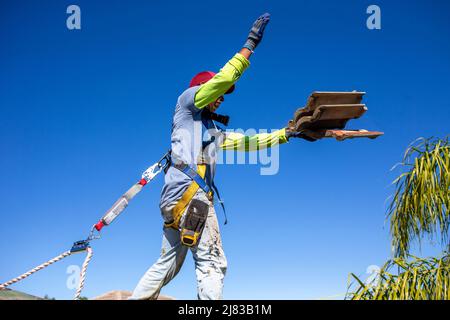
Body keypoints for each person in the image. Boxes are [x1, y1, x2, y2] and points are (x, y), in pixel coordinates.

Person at [130, 12, 307, 300]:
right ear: (203, 89)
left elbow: (250, 142)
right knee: (212, 263)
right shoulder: (188, 101)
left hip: (174, 201)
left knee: (168, 264)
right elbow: (225, 78)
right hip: (193, 198)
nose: (222, 98)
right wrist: (250, 44)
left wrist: (286, 134)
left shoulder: (209, 131)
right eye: (219, 93)